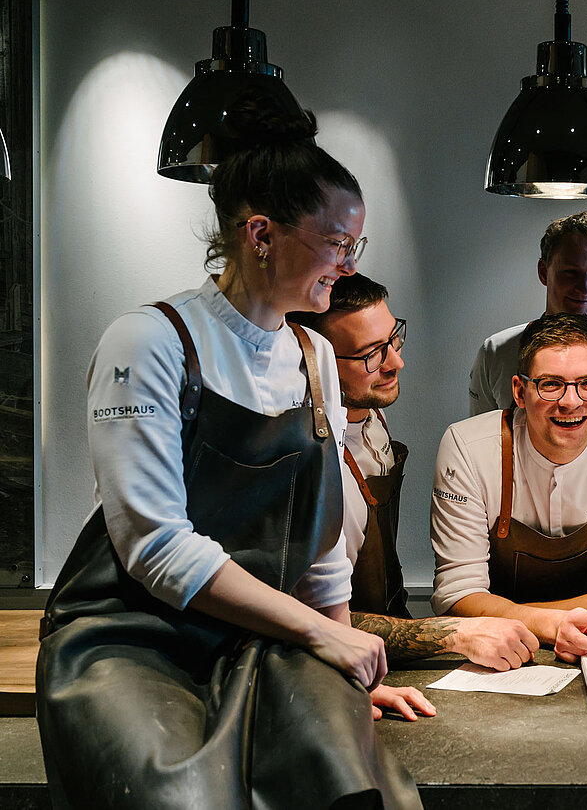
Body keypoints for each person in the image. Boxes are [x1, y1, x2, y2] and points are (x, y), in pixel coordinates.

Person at [36, 97, 425, 809]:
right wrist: (317, 635)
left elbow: (321, 554)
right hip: (133, 640)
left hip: (264, 640)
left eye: (353, 247)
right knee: (181, 797)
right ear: (261, 234)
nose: (347, 264)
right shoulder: (150, 343)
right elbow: (155, 546)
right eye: (337, 243)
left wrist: (349, 671)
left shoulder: (314, 357)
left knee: (350, 784)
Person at [290, 274, 539, 670]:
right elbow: (312, 619)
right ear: (315, 361)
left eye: (393, 339)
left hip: (389, 644)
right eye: (371, 353)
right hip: (332, 662)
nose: (396, 362)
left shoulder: (372, 417)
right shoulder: (310, 464)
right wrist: (456, 635)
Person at [433, 313, 587, 662]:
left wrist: (519, 618)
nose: (570, 401)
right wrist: (548, 624)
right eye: (550, 384)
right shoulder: (467, 448)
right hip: (497, 657)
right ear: (519, 391)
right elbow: (458, 595)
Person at [468, 211, 587, 415]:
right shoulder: (497, 354)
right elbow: (481, 437)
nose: (584, 287)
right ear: (543, 272)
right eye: (571, 273)